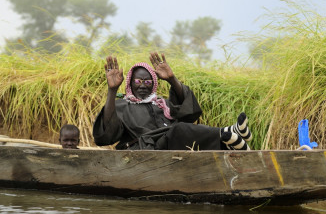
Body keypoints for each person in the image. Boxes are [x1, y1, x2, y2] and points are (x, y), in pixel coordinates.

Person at [93, 52, 252, 150]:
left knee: (185, 129)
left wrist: (172, 79)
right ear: (130, 83)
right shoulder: (122, 105)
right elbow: (106, 136)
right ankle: (229, 131)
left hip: (172, 147)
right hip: (144, 151)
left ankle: (230, 142)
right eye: (138, 81)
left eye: (148, 82)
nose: (142, 86)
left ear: (154, 84)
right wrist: (112, 90)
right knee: (178, 130)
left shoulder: (162, 104)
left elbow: (190, 114)